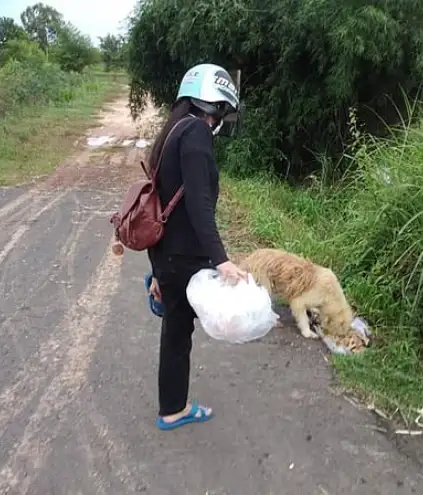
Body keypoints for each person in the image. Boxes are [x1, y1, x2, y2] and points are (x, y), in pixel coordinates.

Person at [146, 63, 248, 431]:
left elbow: (159, 203)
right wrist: (221, 260)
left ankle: (171, 405)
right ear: (216, 106)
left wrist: (157, 269)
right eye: (223, 110)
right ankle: (173, 409)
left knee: (174, 330)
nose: (222, 119)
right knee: (177, 335)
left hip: (165, 253)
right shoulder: (196, 135)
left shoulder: (171, 131)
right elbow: (199, 204)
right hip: (182, 255)